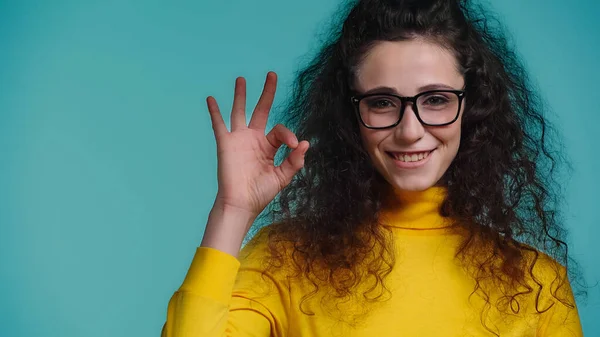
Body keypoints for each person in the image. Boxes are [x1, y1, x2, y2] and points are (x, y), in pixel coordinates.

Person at [161, 0, 584, 335]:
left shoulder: (537, 284)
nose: (410, 131)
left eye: (435, 99)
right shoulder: (284, 259)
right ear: (350, 114)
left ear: (471, 106)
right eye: (382, 102)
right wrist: (232, 211)